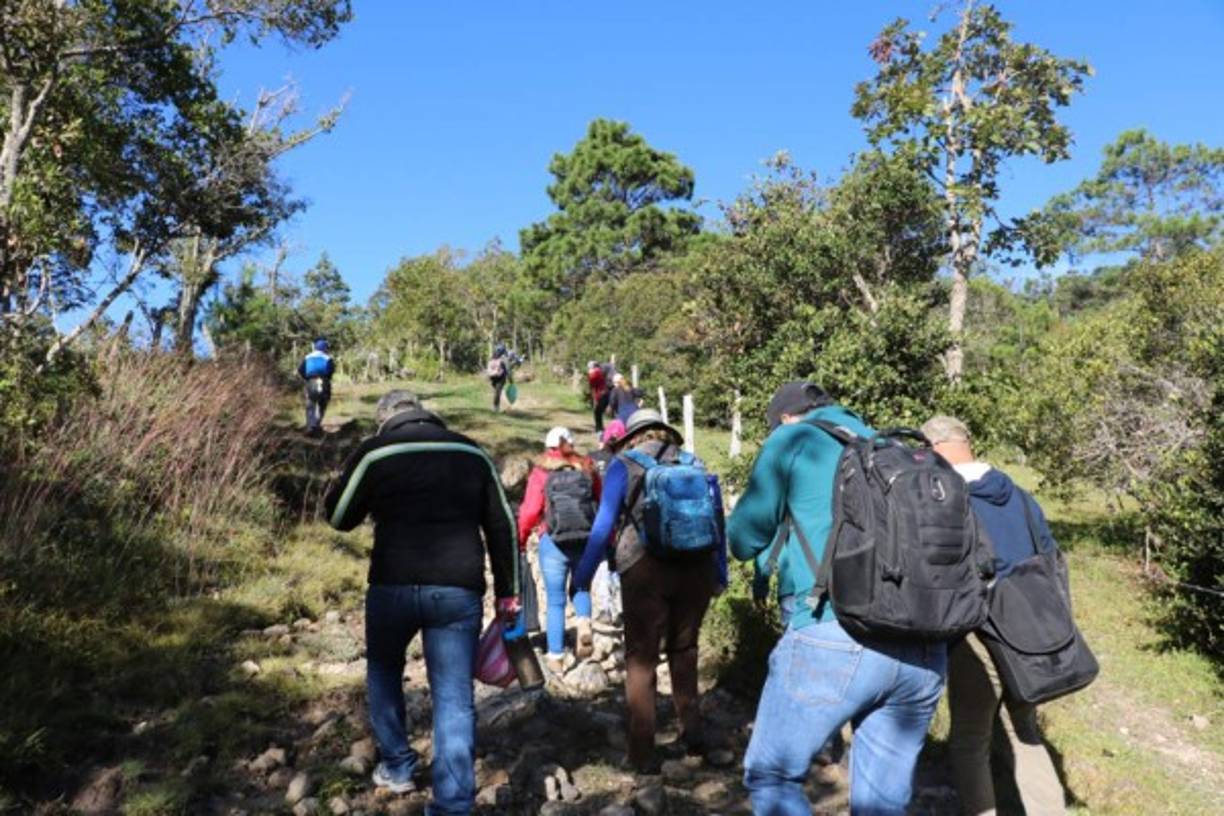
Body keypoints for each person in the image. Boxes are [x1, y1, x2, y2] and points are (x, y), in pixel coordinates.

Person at [729, 382, 946, 815]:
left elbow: (744, 537)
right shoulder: (890, 446)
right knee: (881, 804)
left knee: (772, 774)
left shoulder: (793, 439)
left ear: (787, 418)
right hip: (923, 645)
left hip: (834, 630)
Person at [324, 390, 520, 813]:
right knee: (453, 696)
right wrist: (509, 591)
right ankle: (453, 804)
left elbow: (339, 516)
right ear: (428, 416)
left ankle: (396, 765)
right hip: (457, 589)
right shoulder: (472, 452)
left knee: (384, 671)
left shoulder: (375, 453)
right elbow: (503, 524)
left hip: (392, 584)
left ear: (385, 419)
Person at [921, 415, 1067, 816]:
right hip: (1031, 632)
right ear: (967, 442)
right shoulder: (1018, 494)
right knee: (1026, 731)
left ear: (932, 448)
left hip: (977, 632)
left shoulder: (944, 497)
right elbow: (1049, 555)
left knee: (971, 737)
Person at [572, 408, 721, 774]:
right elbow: (718, 519)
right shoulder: (694, 462)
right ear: (665, 432)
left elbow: (604, 523)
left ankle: (642, 754)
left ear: (633, 435)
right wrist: (720, 574)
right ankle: (694, 738)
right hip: (697, 567)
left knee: (641, 658)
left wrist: (583, 575)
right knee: (684, 651)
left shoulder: (624, 464)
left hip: (643, 569)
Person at [517, 426, 602, 673]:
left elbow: (530, 511)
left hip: (553, 541)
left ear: (548, 446)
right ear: (571, 445)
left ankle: (555, 657)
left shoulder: (541, 472)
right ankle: (584, 622)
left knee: (555, 601)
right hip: (584, 539)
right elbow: (599, 499)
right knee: (581, 586)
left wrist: (521, 538)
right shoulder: (587, 467)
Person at [589, 420, 628, 624]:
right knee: (620, 564)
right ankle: (622, 608)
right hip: (622, 521)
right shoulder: (627, 461)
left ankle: (605, 608)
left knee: (602, 564)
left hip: (598, 519)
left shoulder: (591, 459)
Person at [298, 337, 336, 435]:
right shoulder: (328, 358)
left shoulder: (307, 357)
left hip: (310, 381)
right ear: (324, 348)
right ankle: (317, 424)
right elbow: (331, 370)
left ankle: (311, 425)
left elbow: (301, 370)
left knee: (310, 404)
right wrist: (327, 379)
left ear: (315, 347)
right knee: (323, 403)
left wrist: (306, 378)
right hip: (324, 381)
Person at [486, 343, 511, 411]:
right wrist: (510, 379)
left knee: (498, 391)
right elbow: (507, 369)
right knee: (498, 392)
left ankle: (497, 406)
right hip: (500, 377)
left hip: (493, 377)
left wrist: (488, 377)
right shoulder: (504, 358)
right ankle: (496, 407)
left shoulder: (492, 357)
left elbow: (489, 368)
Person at [588, 360, 609, 433]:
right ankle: (600, 427)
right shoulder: (600, 371)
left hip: (599, 394)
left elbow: (593, 388)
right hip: (605, 393)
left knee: (597, 412)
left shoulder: (593, 374)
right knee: (599, 411)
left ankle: (599, 428)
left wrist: (594, 399)